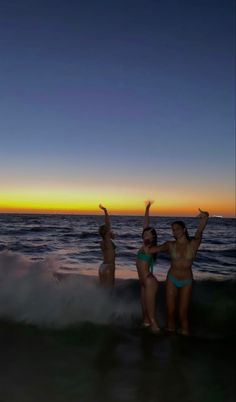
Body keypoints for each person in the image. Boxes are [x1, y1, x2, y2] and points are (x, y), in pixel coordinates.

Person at [146, 208, 209, 335]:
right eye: (173, 230)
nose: (175, 232)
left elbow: (200, 230)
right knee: (170, 311)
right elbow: (152, 250)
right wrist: (147, 239)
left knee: (183, 313)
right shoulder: (170, 245)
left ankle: (184, 341)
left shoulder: (194, 244)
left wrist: (205, 217)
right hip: (172, 279)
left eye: (177, 229)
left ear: (184, 229)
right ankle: (171, 342)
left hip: (187, 280)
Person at [136, 201, 161, 334]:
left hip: (149, 281)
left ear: (153, 237)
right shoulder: (144, 244)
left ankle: (159, 335)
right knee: (144, 313)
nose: (146, 233)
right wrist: (147, 209)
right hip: (143, 282)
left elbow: (161, 248)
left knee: (151, 317)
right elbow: (145, 225)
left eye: (149, 233)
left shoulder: (150, 248)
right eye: (145, 233)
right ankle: (146, 338)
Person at [98, 204, 116, 287]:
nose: (111, 231)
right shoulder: (108, 241)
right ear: (107, 232)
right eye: (109, 231)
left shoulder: (102, 242)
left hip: (102, 267)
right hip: (109, 266)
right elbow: (108, 224)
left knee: (103, 290)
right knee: (110, 290)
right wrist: (105, 211)